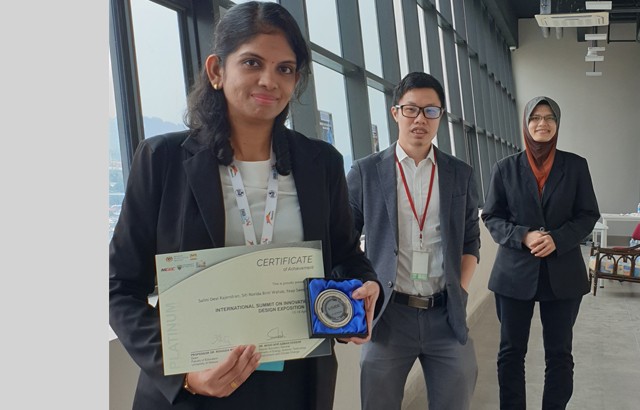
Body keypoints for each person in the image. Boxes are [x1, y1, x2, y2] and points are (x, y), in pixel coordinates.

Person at [108, 2, 383, 409]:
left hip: (297, 385)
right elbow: (120, 288)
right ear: (217, 70)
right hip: (197, 389)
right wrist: (183, 373)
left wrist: (364, 289)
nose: (269, 80)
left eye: (285, 69)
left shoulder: (320, 163)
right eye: (252, 62)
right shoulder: (162, 160)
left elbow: (344, 254)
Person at [347, 71, 481, 410]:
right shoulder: (366, 172)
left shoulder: (459, 173)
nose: (420, 119)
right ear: (396, 113)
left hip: (445, 315)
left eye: (430, 111)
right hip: (389, 315)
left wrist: (460, 292)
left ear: (440, 117)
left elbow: (470, 240)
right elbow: (344, 239)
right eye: (411, 109)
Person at [481, 96, 600, 410]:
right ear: (525, 123)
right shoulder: (504, 168)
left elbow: (588, 214)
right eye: (535, 117)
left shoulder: (575, 166)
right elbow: (491, 217)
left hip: (563, 274)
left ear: (557, 124)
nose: (542, 124)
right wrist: (524, 235)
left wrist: (558, 239)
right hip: (513, 275)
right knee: (510, 353)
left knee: (559, 354)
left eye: (549, 118)